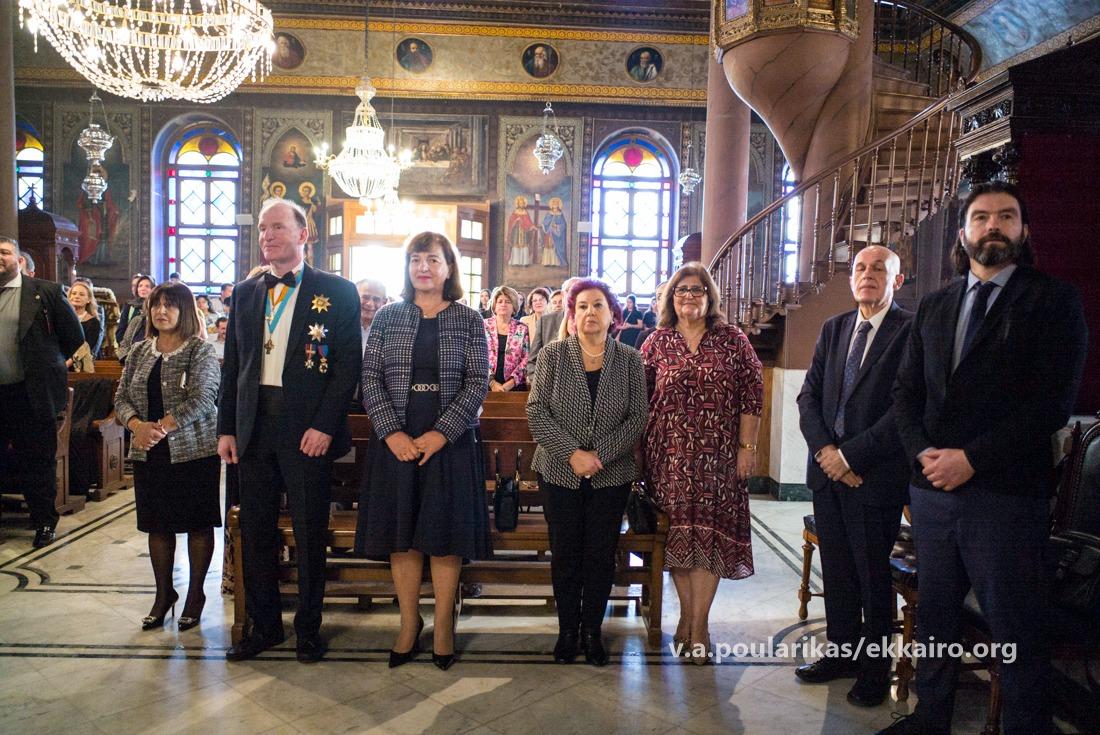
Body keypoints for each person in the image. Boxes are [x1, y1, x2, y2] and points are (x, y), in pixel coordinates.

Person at [882, 182, 1089, 735]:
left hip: (1005, 495)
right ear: (963, 233)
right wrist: (924, 453)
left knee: (1015, 626)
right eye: (981, 217)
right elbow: (905, 393)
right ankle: (930, 719)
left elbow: (1050, 403)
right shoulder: (935, 304)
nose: (992, 225)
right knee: (936, 616)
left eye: (1006, 216)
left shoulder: (1053, 301)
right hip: (933, 494)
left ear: (1024, 230)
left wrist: (972, 459)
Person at [217, 198, 361, 664]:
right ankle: (264, 626)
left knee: (309, 531)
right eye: (263, 228)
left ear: (303, 234)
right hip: (254, 427)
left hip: (307, 430)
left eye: (277, 227)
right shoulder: (245, 292)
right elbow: (233, 367)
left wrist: (325, 425)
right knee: (256, 532)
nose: (267, 236)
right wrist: (227, 427)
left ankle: (308, 629)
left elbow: (347, 367)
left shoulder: (337, 291)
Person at [356, 231, 491, 671]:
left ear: (449, 268)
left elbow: (477, 381)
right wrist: (391, 432)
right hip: (396, 440)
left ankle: (445, 624)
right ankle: (409, 622)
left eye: (433, 259)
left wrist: (442, 433)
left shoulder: (469, 319)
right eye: (416, 259)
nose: (423, 267)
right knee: (403, 535)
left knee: (444, 535)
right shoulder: (388, 317)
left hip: (450, 442)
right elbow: (370, 377)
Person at [795, 245, 913, 707]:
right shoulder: (835, 327)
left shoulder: (910, 331)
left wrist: (851, 457)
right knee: (838, 573)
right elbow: (809, 397)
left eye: (879, 268)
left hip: (874, 477)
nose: (867, 274)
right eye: (860, 268)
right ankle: (841, 654)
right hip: (828, 476)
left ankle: (875, 670)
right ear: (851, 279)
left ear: (896, 280)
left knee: (871, 578)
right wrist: (828, 453)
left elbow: (904, 408)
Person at [640, 262, 763, 663]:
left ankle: (699, 625)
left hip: (719, 457)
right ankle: (686, 617)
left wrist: (747, 448)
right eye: (681, 290)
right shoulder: (656, 342)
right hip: (668, 457)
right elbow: (639, 400)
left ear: (710, 296)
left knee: (709, 539)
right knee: (678, 539)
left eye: (697, 290)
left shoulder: (732, 340)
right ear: (670, 298)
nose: (689, 297)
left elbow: (752, 394)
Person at [527, 278, 647, 665]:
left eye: (598, 305)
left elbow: (637, 417)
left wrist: (599, 456)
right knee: (565, 553)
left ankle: (592, 631)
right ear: (572, 315)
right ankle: (567, 631)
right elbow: (536, 412)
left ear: (613, 315)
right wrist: (572, 454)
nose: (590, 312)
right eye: (582, 306)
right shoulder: (553, 355)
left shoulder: (629, 359)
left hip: (611, 476)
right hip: (558, 472)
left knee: (599, 554)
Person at [113, 282, 221, 632]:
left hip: (193, 451)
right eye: (156, 305)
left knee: (197, 523)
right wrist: (136, 425)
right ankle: (164, 594)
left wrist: (161, 427)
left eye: (170, 305)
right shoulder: (139, 351)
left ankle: (195, 595)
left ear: (184, 311)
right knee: (157, 524)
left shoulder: (200, 351)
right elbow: (121, 397)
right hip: (149, 452)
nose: (161, 311)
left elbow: (204, 398)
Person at [0, 236, 84, 547]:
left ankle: (44, 523)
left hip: (31, 393)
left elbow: (73, 337)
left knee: (37, 461)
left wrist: (45, 363)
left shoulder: (45, 292)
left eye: (4, 252)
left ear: (19, 260)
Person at [485, 286, 529, 393]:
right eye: (500, 301)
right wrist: (492, 383)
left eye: (508, 302)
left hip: (515, 386)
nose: (503, 304)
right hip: (486, 384)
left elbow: (526, 358)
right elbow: (477, 356)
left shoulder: (522, 328)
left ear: (514, 306)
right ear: (494, 306)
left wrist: (511, 383)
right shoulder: (483, 326)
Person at [529, 276, 580, 368]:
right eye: (572, 290)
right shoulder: (546, 321)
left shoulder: (592, 322)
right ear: (563, 294)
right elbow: (532, 361)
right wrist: (539, 377)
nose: (576, 295)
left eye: (580, 291)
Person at [67, 280, 102, 363]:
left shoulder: (93, 322)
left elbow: (86, 347)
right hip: (58, 363)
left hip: (80, 364)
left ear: (89, 299)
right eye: (74, 293)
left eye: (81, 294)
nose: (76, 296)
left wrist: (68, 363)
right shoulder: (61, 318)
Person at [117, 274, 154, 349]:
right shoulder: (129, 306)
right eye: (140, 286)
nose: (143, 288)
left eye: (147, 286)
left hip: (150, 348)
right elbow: (121, 330)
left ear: (153, 289)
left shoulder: (155, 307)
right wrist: (124, 346)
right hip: (129, 348)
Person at [356, 278, 387, 350]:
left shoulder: (389, 333)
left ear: (384, 302)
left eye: (376, 299)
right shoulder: (343, 327)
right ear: (354, 297)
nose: (370, 303)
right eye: (365, 297)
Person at [506, 196, 534, 267]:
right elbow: (511, 221)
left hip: (524, 231)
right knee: (516, 245)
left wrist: (531, 226)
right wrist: (516, 220)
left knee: (524, 245)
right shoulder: (515, 212)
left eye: (522, 203)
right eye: (520, 203)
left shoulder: (525, 212)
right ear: (518, 204)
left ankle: (524, 262)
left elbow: (529, 221)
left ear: (524, 204)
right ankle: (516, 262)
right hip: (516, 231)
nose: (521, 204)